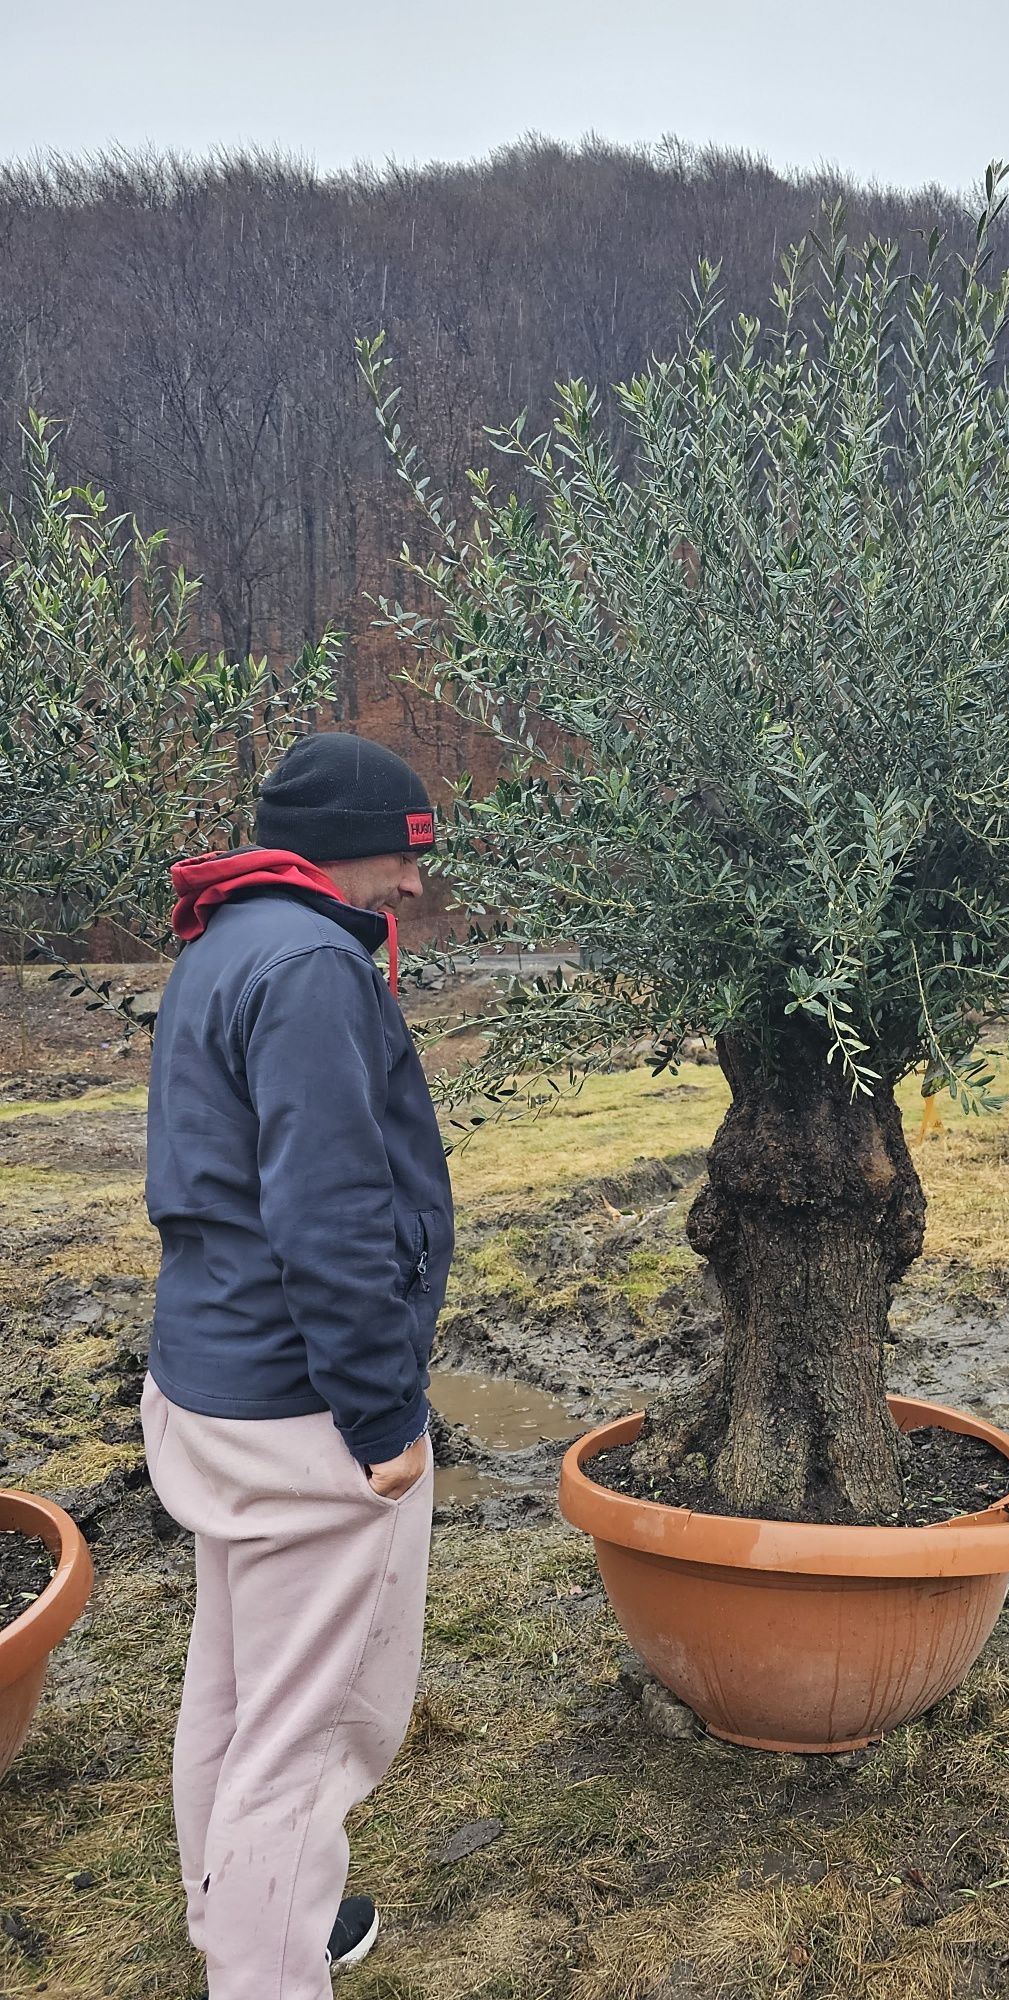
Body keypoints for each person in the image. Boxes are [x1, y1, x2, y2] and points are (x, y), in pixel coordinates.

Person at [141, 732, 454, 2000]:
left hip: (210, 1385)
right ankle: (266, 1965)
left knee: (230, 1684)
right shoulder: (315, 964)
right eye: (409, 851)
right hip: (307, 1410)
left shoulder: (224, 940)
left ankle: (248, 1917)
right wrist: (383, 1419)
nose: (416, 885)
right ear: (348, 838)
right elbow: (330, 1216)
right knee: (308, 1737)